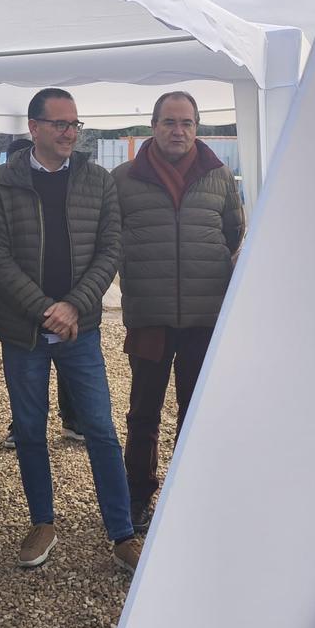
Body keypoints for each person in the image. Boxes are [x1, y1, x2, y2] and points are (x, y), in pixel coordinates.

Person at [0, 88, 139, 572]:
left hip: (80, 330)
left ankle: (122, 533)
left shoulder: (97, 180)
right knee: (30, 429)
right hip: (23, 331)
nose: (70, 133)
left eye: (75, 124)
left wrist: (73, 306)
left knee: (101, 429)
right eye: (60, 124)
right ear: (34, 127)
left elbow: (110, 249)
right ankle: (42, 522)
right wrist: (45, 308)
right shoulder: (2, 181)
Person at [111, 91, 245, 532]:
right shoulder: (124, 178)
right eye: (169, 122)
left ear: (197, 127)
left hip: (204, 317)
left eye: (186, 122)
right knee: (143, 412)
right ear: (153, 126)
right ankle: (137, 495)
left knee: (197, 410)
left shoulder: (219, 176)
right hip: (149, 315)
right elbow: (111, 238)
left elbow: (233, 231)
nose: (178, 131)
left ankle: (191, 494)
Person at [0, 138, 83, 451]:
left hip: (72, 307)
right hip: (24, 311)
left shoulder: (73, 184)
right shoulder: (3, 189)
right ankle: (21, 425)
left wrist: (73, 304)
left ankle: (73, 419)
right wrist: (42, 307)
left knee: (71, 372)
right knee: (26, 387)